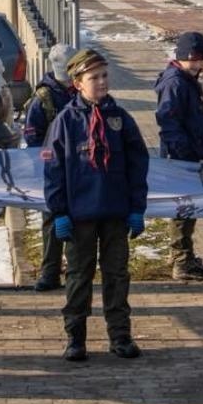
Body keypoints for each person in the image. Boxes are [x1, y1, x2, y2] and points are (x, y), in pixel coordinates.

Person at [43, 49, 150, 362]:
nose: (102, 82)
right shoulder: (65, 122)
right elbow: (53, 171)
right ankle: (75, 337)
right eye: (94, 78)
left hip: (115, 213)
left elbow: (137, 164)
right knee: (79, 276)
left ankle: (120, 335)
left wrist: (136, 207)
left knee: (117, 275)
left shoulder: (120, 119)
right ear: (78, 83)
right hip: (80, 217)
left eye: (105, 76)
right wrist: (59, 212)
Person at [154, 32, 203, 282]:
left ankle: (183, 255)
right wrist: (184, 154)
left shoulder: (186, 80)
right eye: (190, 59)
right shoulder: (176, 83)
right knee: (184, 208)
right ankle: (182, 261)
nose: (195, 63)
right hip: (182, 158)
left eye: (199, 59)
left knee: (188, 208)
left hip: (190, 154)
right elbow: (168, 121)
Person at [22, 44, 77, 292]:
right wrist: (45, 163)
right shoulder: (43, 99)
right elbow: (33, 138)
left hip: (80, 167)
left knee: (79, 221)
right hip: (53, 169)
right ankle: (50, 271)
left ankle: (75, 271)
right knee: (52, 221)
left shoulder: (80, 91)